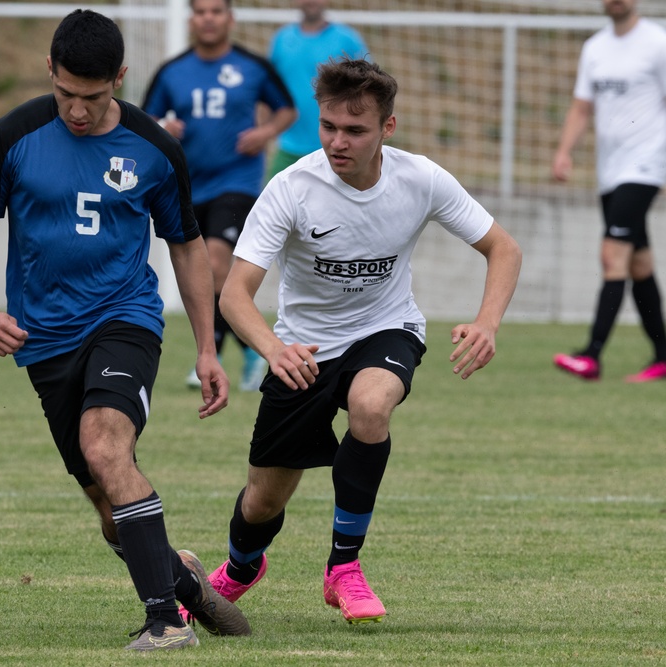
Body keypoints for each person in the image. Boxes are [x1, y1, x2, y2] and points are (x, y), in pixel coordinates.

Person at [0, 9, 250, 651]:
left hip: (125, 319)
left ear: (119, 77)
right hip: (45, 341)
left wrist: (206, 347)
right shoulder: (12, 137)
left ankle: (167, 623)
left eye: (93, 97)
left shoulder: (154, 149)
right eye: (65, 94)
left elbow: (188, 246)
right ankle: (185, 582)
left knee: (106, 447)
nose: (78, 111)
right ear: (49, 74)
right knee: (111, 510)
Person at [189, 58, 521, 626]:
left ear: (387, 128)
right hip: (302, 351)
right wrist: (273, 349)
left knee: (371, 406)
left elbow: (503, 248)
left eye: (355, 130)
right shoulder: (290, 189)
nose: (338, 142)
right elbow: (235, 295)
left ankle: (344, 567)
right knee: (263, 500)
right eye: (329, 128)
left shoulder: (421, 178)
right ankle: (242, 567)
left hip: (386, 330)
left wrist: (487, 322)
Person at [142, 0, 296, 392]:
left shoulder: (252, 66)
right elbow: (143, 121)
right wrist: (163, 125)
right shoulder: (172, 72)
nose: (208, 18)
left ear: (230, 18)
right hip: (189, 186)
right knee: (206, 272)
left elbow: (287, 110)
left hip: (238, 184)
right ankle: (247, 349)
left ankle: (208, 358)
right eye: (200, 11)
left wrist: (264, 134)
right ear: (191, 19)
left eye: (216, 11)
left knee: (215, 263)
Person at [551, 0, 666, 383]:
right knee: (638, 264)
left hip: (647, 166)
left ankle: (592, 355)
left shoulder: (657, 42)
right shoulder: (595, 48)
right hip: (610, 172)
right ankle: (663, 356)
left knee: (611, 255)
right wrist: (564, 152)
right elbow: (582, 107)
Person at [266, 0, 367, 181]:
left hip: (336, 149)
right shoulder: (281, 39)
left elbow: (367, 89)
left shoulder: (347, 39)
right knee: (269, 204)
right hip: (288, 147)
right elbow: (267, 90)